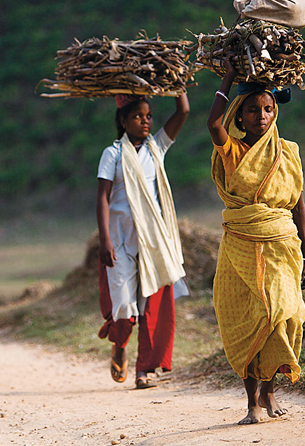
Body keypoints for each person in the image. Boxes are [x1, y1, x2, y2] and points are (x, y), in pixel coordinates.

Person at [206, 58, 305, 424]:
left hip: (282, 246)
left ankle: (270, 391)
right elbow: (212, 124)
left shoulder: (288, 153)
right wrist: (230, 77)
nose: (261, 116)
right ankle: (252, 402)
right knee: (254, 318)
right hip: (240, 246)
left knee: (286, 314)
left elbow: (299, 205)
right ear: (240, 114)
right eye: (252, 110)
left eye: (268, 108)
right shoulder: (233, 151)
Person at [96, 92, 190, 389]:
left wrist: (176, 86)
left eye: (149, 116)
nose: (146, 121)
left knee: (152, 310)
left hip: (153, 244)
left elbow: (183, 111)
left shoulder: (156, 148)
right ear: (123, 121)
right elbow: (102, 197)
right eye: (138, 117)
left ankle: (144, 370)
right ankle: (120, 344)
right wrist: (105, 240)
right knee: (124, 307)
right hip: (121, 242)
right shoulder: (112, 153)